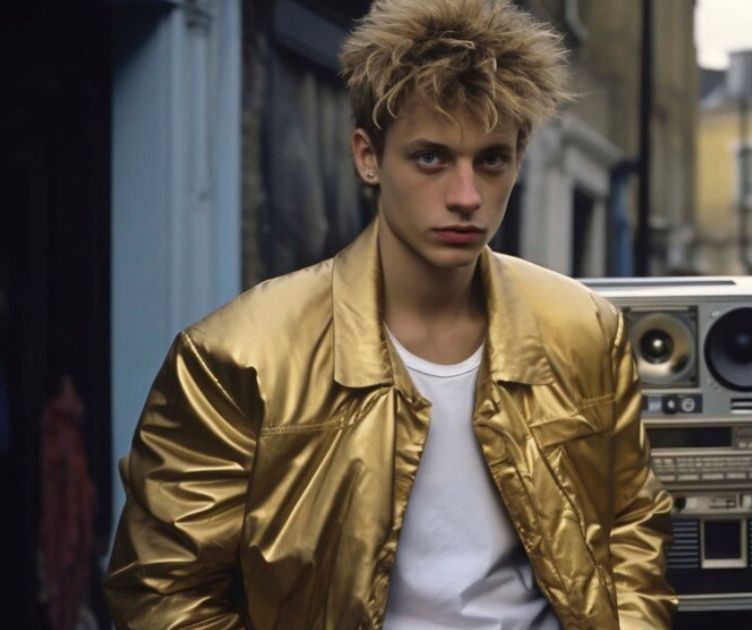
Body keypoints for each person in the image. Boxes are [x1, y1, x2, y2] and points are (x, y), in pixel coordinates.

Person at [104, 2, 676, 628]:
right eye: (431, 158)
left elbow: (630, 528)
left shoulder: (585, 329)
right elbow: (164, 594)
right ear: (367, 157)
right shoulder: (237, 356)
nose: (466, 197)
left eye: (491, 160)